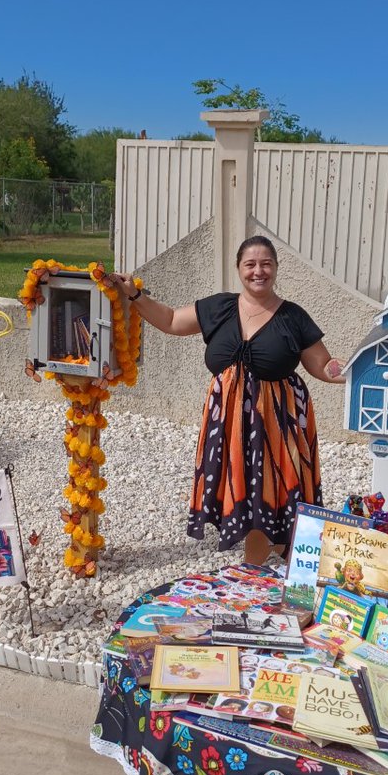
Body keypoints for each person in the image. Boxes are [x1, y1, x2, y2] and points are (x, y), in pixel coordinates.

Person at [110, 235, 344, 566]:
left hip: (275, 423)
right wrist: (133, 293)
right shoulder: (220, 307)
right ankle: (273, 555)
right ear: (239, 269)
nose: (258, 271)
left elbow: (323, 365)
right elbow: (172, 321)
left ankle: (256, 570)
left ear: (276, 268)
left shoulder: (293, 317)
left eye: (266, 264)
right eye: (250, 264)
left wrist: (360, 370)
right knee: (244, 490)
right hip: (229, 423)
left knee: (267, 490)